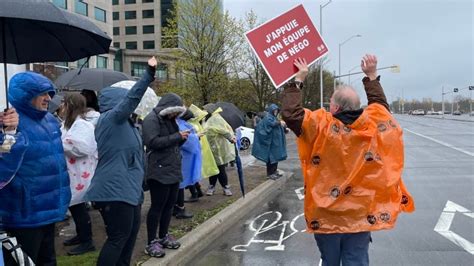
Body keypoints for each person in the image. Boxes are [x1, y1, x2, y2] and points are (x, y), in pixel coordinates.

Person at [281, 55, 415, 266]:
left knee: (330, 260)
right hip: (360, 216)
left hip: (326, 215)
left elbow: (291, 114)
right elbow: (380, 107)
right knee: (357, 260)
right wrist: (371, 76)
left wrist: (298, 80)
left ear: (335, 108)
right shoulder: (373, 126)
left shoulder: (321, 127)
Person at [84, 56, 157, 266]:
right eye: (126, 102)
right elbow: (132, 99)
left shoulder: (129, 125)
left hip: (130, 191)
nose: (133, 106)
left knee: (129, 239)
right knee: (117, 239)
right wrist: (149, 75)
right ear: (118, 102)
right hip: (114, 191)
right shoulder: (110, 119)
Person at [0, 72, 71, 265]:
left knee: (48, 261)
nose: (49, 98)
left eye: (49, 92)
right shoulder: (8, 122)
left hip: (50, 209)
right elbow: (4, 164)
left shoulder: (49, 120)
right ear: (26, 95)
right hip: (23, 215)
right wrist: (9, 133)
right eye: (42, 93)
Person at [142, 93, 187, 258]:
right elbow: (152, 142)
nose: (176, 115)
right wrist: (177, 136)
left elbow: (172, 142)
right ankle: (151, 241)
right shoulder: (151, 120)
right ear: (167, 108)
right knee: (157, 207)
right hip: (159, 170)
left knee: (169, 206)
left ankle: (163, 235)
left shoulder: (169, 120)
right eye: (174, 111)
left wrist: (182, 138)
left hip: (173, 168)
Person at [60, 93, 98, 256]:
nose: (61, 107)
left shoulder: (83, 125)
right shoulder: (68, 124)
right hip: (72, 173)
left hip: (80, 174)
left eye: (64, 103)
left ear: (70, 106)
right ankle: (81, 236)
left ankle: (87, 241)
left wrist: (61, 144)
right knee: (75, 206)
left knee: (79, 206)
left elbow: (84, 148)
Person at [186, 104, 218, 202]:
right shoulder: (197, 124)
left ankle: (194, 194)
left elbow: (190, 140)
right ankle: (198, 191)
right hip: (198, 150)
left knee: (189, 173)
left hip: (192, 151)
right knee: (193, 172)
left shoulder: (191, 125)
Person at [203, 104, 236, 196]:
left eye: (206, 110)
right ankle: (211, 187)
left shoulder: (216, 118)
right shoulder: (207, 119)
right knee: (212, 168)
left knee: (220, 169)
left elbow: (224, 131)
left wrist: (231, 138)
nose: (204, 111)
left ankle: (225, 187)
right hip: (210, 148)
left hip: (218, 148)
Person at [251, 103, 287, 180]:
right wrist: (279, 123)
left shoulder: (274, 118)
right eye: (274, 110)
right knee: (271, 158)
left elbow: (278, 127)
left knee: (276, 157)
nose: (276, 112)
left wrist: (285, 129)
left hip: (276, 142)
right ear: (271, 110)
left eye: (277, 110)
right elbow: (271, 125)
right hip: (271, 143)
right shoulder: (268, 118)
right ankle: (270, 173)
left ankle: (274, 171)